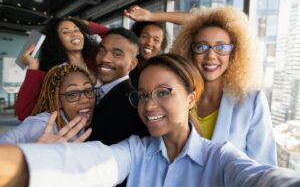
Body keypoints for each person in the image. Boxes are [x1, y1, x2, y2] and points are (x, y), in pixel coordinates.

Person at [1, 54, 300, 187]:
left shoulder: (220, 159)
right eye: (142, 95)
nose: (149, 105)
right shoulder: (135, 151)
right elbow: (93, 164)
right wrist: (41, 158)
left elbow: (262, 178)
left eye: (163, 92)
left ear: (191, 98)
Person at [126, 5, 277, 165]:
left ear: (233, 53)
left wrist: (151, 15)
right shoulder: (177, 95)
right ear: (190, 52)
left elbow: (265, 166)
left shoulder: (251, 101)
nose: (211, 55)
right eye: (201, 47)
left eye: (221, 47)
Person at [15, 18, 101, 121]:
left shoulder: (95, 61)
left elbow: (116, 36)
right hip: (76, 130)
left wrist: (88, 24)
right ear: (57, 40)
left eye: (77, 30)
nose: (74, 34)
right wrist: (33, 69)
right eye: (65, 32)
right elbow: (23, 113)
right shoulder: (56, 73)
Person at [0, 64, 94, 143]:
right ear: (58, 100)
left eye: (89, 91)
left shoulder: (80, 122)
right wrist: (36, 152)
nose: (85, 99)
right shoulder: (41, 124)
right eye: (72, 94)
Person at [87, 27, 148, 145]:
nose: (105, 58)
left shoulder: (132, 106)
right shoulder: (97, 91)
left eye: (117, 54)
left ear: (132, 64)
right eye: (102, 51)